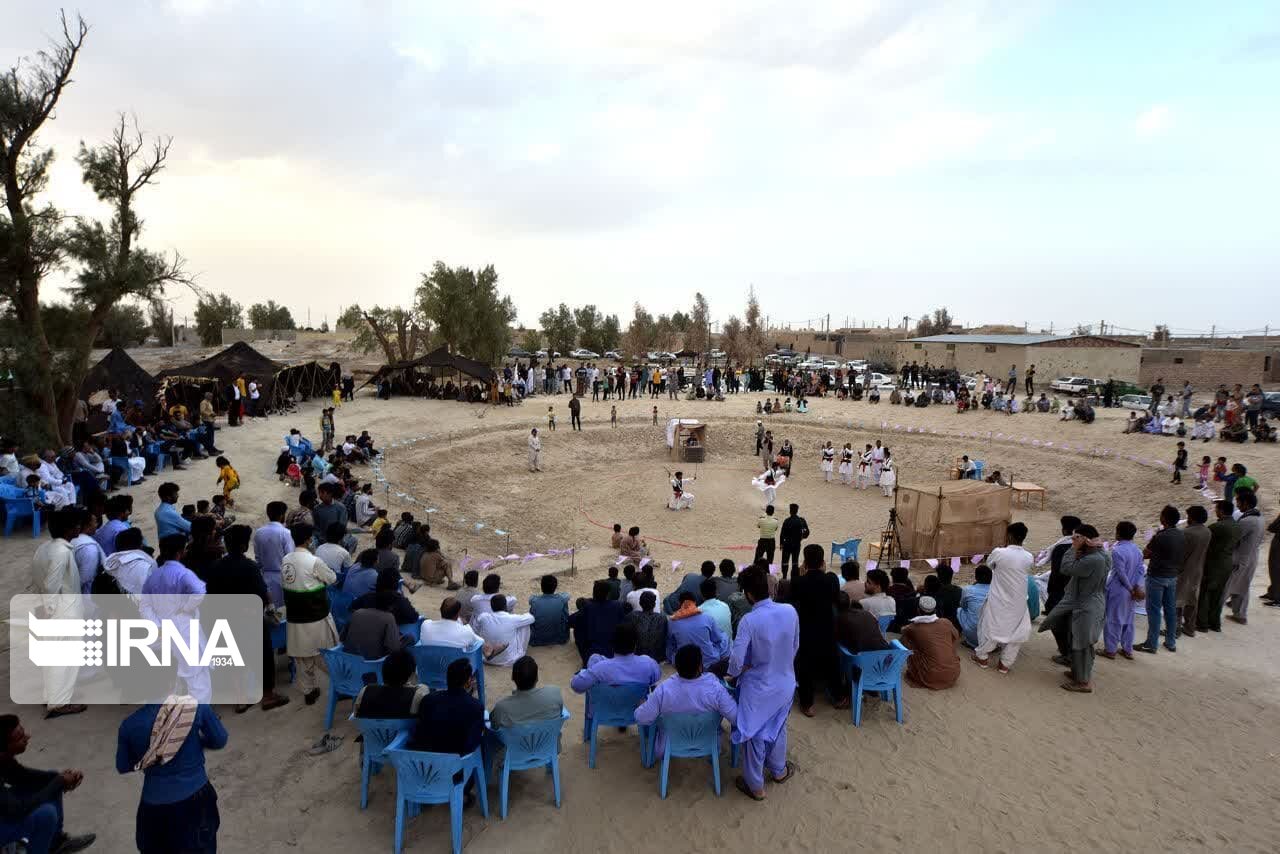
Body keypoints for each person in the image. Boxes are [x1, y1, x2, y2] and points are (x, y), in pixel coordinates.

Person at [115, 697, 226, 854]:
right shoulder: (196, 708)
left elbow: (123, 766)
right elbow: (220, 739)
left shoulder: (129, 725)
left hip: (153, 808)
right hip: (195, 801)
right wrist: (197, 742)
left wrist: (151, 753)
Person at [728, 570, 798, 802]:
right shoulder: (790, 611)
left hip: (758, 687)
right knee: (778, 726)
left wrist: (736, 673)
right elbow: (795, 645)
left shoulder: (749, 620)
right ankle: (778, 771)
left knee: (755, 734)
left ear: (748, 594)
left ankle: (756, 786)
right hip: (785, 681)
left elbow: (737, 660)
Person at [0, 714, 96, 854]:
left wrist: (59, 778)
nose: (28, 737)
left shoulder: (3, 758)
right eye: (20, 738)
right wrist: (59, 782)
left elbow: (22, 776)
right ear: (3, 749)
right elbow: (17, 811)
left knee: (51, 781)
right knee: (46, 814)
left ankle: (55, 843)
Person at [634, 644, 738, 761]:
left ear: (676, 666)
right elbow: (735, 718)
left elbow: (642, 718)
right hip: (709, 745)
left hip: (670, 747)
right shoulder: (715, 689)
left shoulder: (664, 690)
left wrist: (641, 706)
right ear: (700, 667)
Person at [1039, 525, 1109, 693]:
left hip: (1087, 606)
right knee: (1076, 639)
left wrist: (1073, 549)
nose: (1073, 541)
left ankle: (1083, 682)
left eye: (1076, 538)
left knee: (1082, 644)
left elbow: (1066, 568)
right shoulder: (1101, 555)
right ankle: (1078, 672)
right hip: (1086, 602)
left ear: (1085, 540)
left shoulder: (1093, 559)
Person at [281, 523, 339, 705]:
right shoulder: (314, 561)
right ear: (308, 539)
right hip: (316, 616)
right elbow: (332, 579)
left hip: (295, 616)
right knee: (326, 656)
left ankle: (309, 690)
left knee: (301, 657)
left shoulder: (286, 560)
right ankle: (341, 685)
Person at [408, 659, 486, 794]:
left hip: (425, 770)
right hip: (456, 774)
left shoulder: (428, 700)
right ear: (468, 682)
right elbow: (472, 744)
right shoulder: (475, 706)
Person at [971, 523, 1033, 674]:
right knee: (1016, 631)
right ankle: (1005, 665)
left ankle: (982, 657)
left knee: (990, 626)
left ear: (1009, 536)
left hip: (999, 598)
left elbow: (990, 565)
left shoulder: (999, 552)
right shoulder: (1029, 556)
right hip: (1018, 601)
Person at [787, 544, 839, 715]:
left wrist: (802, 576)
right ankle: (839, 696)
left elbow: (791, 603)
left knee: (805, 666)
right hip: (827, 627)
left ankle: (807, 703)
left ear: (804, 562)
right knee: (832, 660)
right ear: (823, 561)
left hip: (806, 628)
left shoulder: (797, 582)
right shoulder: (831, 579)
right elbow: (835, 598)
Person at [1135, 506, 1186, 654]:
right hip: (1172, 576)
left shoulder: (1161, 536)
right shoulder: (1181, 535)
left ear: (1164, 518)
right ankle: (1171, 642)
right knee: (1170, 610)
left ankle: (1151, 644)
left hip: (1157, 576)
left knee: (1154, 611)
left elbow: (1145, 554)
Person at [570, 622, 662, 698]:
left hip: (605, 715)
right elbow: (656, 678)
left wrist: (585, 672)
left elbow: (576, 686)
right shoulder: (649, 663)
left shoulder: (599, 668)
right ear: (636, 644)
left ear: (612, 643)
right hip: (636, 715)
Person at [1099, 522, 1144, 660]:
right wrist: (1137, 587)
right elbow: (1140, 570)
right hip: (1132, 591)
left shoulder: (1118, 550)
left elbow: (1120, 573)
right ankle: (1127, 649)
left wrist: (1130, 588)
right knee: (1128, 620)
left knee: (1113, 620)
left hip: (1119, 590)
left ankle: (1111, 650)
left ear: (1118, 533)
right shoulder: (1138, 550)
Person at [1197, 500, 1241, 632]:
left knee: (1205, 593)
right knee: (1218, 595)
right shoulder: (1237, 526)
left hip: (1214, 563)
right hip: (1227, 563)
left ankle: (1202, 623)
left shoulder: (1217, 526)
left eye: (1217, 509)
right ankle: (1214, 623)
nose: (1215, 511)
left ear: (1221, 511)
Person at [489, 655, 564, 731]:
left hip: (514, 743)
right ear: (537, 678)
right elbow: (560, 714)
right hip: (547, 742)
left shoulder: (501, 708)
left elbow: (494, 727)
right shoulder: (554, 693)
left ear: (512, 678)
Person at [901, 596, 961, 690]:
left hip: (930, 676)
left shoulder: (913, 628)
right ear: (935, 610)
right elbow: (956, 637)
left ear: (918, 610)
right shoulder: (946, 622)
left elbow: (903, 632)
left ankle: (921, 669)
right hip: (954, 672)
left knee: (906, 639)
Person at [1224, 488, 1264, 625]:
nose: (1237, 504)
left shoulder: (1247, 521)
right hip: (1252, 556)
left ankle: (1210, 616)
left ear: (1245, 503)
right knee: (1243, 586)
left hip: (1240, 558)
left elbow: (1232, 538)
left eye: (1239, 502)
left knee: (1227, 586)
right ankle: (1240, 615)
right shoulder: (1259, 518)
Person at [666, 591, 731, 676]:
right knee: (724, 637)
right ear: (695, 602)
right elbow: (718, 639)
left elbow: (671, 645)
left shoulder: (672, 621)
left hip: (685, 664)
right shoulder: (707, 618)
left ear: (680, 604)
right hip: (709, 661)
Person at [251, 501, 293, 607]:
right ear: (282, 515)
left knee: (268, 610)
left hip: (265, 577)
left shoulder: (259, 533)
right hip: (282, 578)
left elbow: (258, 558)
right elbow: (290, 557)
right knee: (281, 611)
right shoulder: (286, 533)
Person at [472, 596, 536, 667]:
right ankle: (521, 650)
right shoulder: (512, 618)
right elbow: (532, 618)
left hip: (484, 657)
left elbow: (475, 629)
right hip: (508, 660)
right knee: (525, 624)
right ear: (505, 606)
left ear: (491, 607)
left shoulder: (483, 617)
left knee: (479, 626)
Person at [1178, 505, 1211, 637]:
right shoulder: (1207, 532)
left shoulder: (1187, 533)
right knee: (1192, 600)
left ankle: (1175, 630)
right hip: (1198, 570)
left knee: (1177, 601)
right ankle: (1190, 627)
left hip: (1184, 571)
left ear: (1192, 517)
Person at [529, 574, 570, 646]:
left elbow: (531, 598)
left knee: (533, 610)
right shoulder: (561, 599)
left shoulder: (535, 600)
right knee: (564, 605)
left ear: (541, 587)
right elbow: (567, 595)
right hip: (560, 639)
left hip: (537, 639)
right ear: (555, 587)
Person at [957, 564, 992, 648]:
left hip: (974, 636)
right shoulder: (998, 590)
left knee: (959, 610)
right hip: (995, 636)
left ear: (976, 577)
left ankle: (969, 641)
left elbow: (963, 606)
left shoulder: (968, 589)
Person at [628, 590, 669, 662]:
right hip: (656, 657)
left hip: (638, 655)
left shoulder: (633, 616)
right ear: (654, 604)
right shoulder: (661, 618)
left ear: (640, 603)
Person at [778, 503, 809, 579]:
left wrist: (781, 543)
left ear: (790, 511)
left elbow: (782, 534)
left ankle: (784, 576)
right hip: (796, 544)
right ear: (797, 511)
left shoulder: (787, 521)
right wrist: (802, 537)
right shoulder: (801, 521)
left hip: (787, 544)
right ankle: (794, 577)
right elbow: (807, 532)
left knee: (785, 561)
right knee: (795, 562)